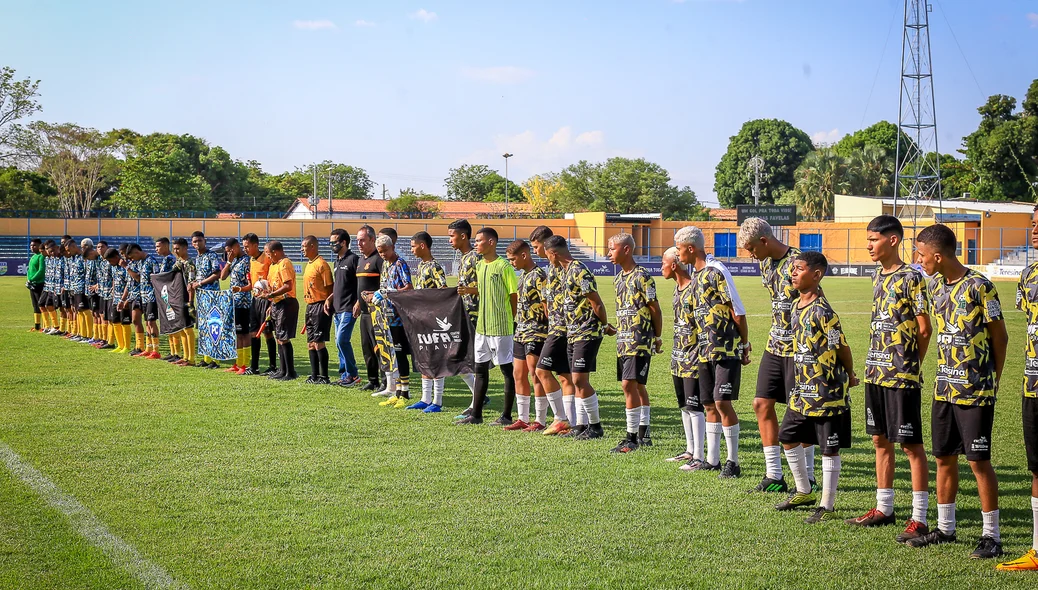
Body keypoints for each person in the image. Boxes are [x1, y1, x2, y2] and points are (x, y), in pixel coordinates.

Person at [908, 223, 1008, 560]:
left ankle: (991, 536)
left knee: (979, 462)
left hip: (975, 391)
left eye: (921, 255)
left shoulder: (981, 287)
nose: (917, 260)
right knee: (944, 458)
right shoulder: (935, 286)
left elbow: (1000, 337)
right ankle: (946, 529)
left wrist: (991, 380)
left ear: (937, 255)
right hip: (943, 389)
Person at [845, 215, 933, 543]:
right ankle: (884, 508)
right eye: (867, 240)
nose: (868, 245)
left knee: (911, 446)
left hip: (900, 376)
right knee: (880, 440)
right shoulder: (877, 275)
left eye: (873, 239)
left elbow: (924, 328)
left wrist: (910, 364)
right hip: (874, 372)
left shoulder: (913, 277)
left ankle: (920, 518)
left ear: (892, 240)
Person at [774, 251, 858, 524]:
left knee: (828, 449)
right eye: (792, 269)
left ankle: (827, 505)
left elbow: (841, 345)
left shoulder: (823, 312)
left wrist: (850, 373)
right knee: (787, 436)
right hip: (802, 391)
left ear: (817, 275)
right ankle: (804, 490)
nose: (793, 273)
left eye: (799, 269)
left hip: (827, 392)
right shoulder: (795, 305)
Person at [675, 226, 750, 478]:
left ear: (690, 248)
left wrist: (744, 344)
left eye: (679, 248)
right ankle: (713, 460)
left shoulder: (716, 270)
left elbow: (737, 310)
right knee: (708, 404)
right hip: (702, 351)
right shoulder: (694, 277)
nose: (677, 253)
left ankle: (733, 462)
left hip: (725, 348)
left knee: (722, 402)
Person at [739, 218, 805, 493]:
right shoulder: (764, 263)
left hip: (799, 348)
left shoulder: (799, 262)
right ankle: (774, 475)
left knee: (800, 413)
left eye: (752, 248)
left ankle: (807, 477)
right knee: (761, 404)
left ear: (764, 241)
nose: (750, 255)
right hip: (774, 344)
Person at [999, 204, 1038, 571]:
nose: (1035, 230)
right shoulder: (1028, 275)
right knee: (1037, 468)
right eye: (1034, 224)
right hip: (1033, 384)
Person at [544, 235, 608, 439]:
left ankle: (596, 427)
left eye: (547, 255)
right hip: (573, 332)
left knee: (580, 379)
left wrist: (605, 325)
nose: (548, 260)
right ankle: (580, 426)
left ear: (553, 253)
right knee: (577, 380)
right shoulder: (564, 272)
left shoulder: (579, 270)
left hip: (587, 332)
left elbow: (596, 302)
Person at [604, 232, 662, 453]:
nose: (609, 253)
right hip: (623, 340)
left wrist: (656, 337)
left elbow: (655, 309)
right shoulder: (618, 278)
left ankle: (631, 439)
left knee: (628, 385)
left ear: (626, 249)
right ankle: (643, 433)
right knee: (637, 385)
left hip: (639, 340)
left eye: (612, 248)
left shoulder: (643, 276)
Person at [456, 228, 519, 426]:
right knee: (480, 369)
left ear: (491, 242)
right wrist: (469, 290)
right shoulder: (481, 265)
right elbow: (484, 290)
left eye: (479, 240)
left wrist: (509, 319)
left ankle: (507, 416)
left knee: (507, 371)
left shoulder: (504, 267)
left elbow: (513, 296)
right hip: (482, 327)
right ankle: (476, 415)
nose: (476, 244)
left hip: (501, 328)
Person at [661, 247, 706, 469]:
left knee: (694, 405)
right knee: (684, 406)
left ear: (674, 265)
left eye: (663, 263)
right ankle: (690, 451)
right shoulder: (677, 290)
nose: (661, 268)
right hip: (678, 356)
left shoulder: (693, 289)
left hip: (693, 357)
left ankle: (699, 455)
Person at [530, 226, 574, 436]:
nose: (536, 251)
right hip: (556, 327)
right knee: (565, 376)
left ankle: (561, 418)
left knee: (542, 370)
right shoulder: (552, 267)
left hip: (563, 329)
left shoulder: (565, 267)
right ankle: (569, 421)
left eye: (537, 247)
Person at [505, 239, 550, 431]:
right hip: (521, 331)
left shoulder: (539, 275)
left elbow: (546, 303)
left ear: (524, 255)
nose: (511, 263)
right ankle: (522, 418)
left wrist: (550, 328)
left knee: (535, 374)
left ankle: (540, 420)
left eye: (513, 259)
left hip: (536, 331)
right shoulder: (523, 276)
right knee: (518, 373)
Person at [406, 231, 449, 412]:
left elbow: (443, 290)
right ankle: (425, 398)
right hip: (421, 320)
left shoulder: (434, 267)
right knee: (423, 357)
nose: (412, 250)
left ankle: (437, 402)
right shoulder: (422, 266)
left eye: (413, 246)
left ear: (422, 245)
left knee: (436, 360)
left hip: (433, 320)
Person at [374, 234, 413, 406]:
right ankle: (397, 391)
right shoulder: (385, 264)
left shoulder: (400, 264)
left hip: (399, 317)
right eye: (380, 252)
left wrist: (389, 293)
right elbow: (383, 286)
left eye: (385, 251)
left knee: (400, 353)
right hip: (387, 315)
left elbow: (408, 287)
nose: (382, 254)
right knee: (393, 355)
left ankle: (405, 393)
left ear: (393, 248)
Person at [448, 219, 481, 404]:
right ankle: (478, 396)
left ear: (463, 236)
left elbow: (487, 286)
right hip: (465, 314)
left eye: (452, 236)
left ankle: (478, 398)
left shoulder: (476, 257)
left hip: (477, 316)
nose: (449, 240)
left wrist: (469, 291)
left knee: (472, 359)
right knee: (460, 358)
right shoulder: (463, 258)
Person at [260, 241, 299, 381]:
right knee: (279, 338)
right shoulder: (273, 266)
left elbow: (288, 286)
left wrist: (271, 295)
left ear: (275, 252)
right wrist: (271, 303)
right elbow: (273, 287)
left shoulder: (284, 263)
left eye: (268, 254)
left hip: (286, 303)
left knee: (283, 338)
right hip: (277, 304)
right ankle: (282, 370)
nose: (267, 257)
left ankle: (290, 372)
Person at [327, 229, 360, 387]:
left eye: (334, 242)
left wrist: (358, 302)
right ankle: (345, 374)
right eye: (331, 243)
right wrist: (330, 298)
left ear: (344, 242)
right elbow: (338, 285)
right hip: (337, 309)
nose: (332, 245)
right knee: (338, 342)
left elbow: (360, 284)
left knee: (342, 340)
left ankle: (353, 374)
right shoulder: (336, 261)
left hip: (349, 307)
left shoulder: (354, 259)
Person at [301, 235, 334, 385]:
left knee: (319, 342)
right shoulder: (309, 264)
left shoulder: (322, 265)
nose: (302, 249)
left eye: (304, 246)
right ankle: (314, 375)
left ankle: (324, 376)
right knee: (311, 342)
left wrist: (327, 304)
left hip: (320, 305)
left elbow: (330, 288)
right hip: (310, 306)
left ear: (312, 246)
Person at [356, 225, 385, 392]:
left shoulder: (378, 259)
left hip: (377, 312)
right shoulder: (361, 260)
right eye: (358, 240)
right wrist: (358, 302)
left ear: (373, 240)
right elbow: (359, 286)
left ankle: (384, 381)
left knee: (379, 348)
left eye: (362, 240)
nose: (359, 243)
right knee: (366, 347)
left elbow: (385, 284)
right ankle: (372, 379)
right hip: (365, 313)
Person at [243, 233, 276, 375]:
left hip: (266, 300)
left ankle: (273, 365)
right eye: (244, 247)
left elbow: (272, 281)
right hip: (255, 300)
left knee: (268, 332)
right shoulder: (251, 260)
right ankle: (254, 367)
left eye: (247, 246)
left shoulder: (266, 260)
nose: (245, 249)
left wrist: (271, 302)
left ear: (255, 245)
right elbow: (253, 284)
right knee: (253, 332)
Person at [221, 238, 254, 374]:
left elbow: (251, 284)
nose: (229, 253)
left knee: (244, 334)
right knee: (236, 334)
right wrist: (228, 261)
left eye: (230, 251)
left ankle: (245, 364)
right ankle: (238, 362)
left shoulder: (247, 261)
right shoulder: (233, 261)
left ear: (236, 247)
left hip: (243, 303)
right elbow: (222, 277)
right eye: (227, 252)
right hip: (233, 302)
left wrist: (240, 290)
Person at [190, 231, 222, 369]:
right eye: (194, 242)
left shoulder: (212, 255)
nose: (197, 243)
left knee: (213, 327)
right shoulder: (197, 258)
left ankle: (216, 360)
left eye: (199, 241)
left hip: (212, 296)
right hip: (201, 297)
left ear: (205, 241)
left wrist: (201, 283)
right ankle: (206, 358)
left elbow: (217, 273)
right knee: (203, 328)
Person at [127, 243, 164, 359]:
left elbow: (157, 279)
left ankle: (156, 350)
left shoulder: (151, 261)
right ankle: (148, 348)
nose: (132, 260)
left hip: (151, 296)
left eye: (132, 257)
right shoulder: (140, 263)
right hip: (143, 297)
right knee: (147, 323)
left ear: (137, 252)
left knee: (152, 322)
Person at [171, 238, 198, 367]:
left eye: (178, 248)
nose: (176, 251)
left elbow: (191, 284)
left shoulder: (190, 263)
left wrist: (190, 302)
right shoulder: (178, 262)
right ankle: (185, 357)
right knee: (182, 328)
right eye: (174, 248)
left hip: (186, 299)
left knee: (188, 328)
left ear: (185, 248)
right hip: (178, 298)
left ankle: (191, 359)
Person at [105, 247, 132, 354]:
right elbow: (114, 280)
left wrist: (124, 299)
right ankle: (120, 345)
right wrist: (113, 291)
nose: (109, 263)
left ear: (116, 257)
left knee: (125, 322)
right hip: (115, 298)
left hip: (124, 299)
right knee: (115, 321)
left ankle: (127, 346)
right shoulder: (113, 267)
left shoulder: (125, 266)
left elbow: (128, 284)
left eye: (110, 260)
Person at [154, 238, 177, 360]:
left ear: (165, 246)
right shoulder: (165, 259)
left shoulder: (170, 259)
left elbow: (168, 277)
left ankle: (176, 353)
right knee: (168, 324)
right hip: (165, 295)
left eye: (158, 246)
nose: (156, 249)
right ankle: (172, 352)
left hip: (170, 295)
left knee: (172, 323)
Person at [93, 241, 114, 350]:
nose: (100, 248)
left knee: (109, 318)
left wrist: (113, 289)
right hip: (101, 292)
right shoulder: (99, 261)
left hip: (110, 294)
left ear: (107, 248)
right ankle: (103, 339)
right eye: (98, 247)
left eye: (102, 247)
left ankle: (110, 341)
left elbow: (114, 277)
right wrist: (97, 284)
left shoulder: (111, 261)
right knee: (102, 316)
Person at [27, 238, 45, 332]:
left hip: (39, 284)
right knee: (35, 305)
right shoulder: (33, 257)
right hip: (32, 284)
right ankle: (37, 326)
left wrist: (32, 279)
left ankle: (46, 326)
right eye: (31, 245)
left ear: (39, 246)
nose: (32, 247)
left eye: (34, 245)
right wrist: (28, 280)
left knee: (41, 305)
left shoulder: (41, 256)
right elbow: (29, 270)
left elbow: (41, 271)